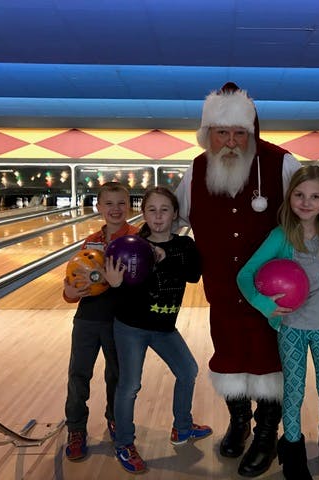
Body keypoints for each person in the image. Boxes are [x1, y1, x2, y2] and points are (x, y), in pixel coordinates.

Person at [175, 82, 302, 477]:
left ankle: (266, 434)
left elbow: (316, 213)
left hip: (274, 299)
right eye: (222, 133)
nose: (231, 142)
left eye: (239, 133)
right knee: (230, 359)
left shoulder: (282, 164)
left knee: (270, 364)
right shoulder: (195, 171)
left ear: (252, 132)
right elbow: (170, 220)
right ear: (207, 134)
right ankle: (240, 421)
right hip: (224, 296)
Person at [237, 165, 319, 480]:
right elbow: (245, 275)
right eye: (300, 195)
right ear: (290, 196)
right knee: (293, 392)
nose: (307, 202)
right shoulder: (281, 235)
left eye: (315, 196)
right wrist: (265, 304)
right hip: (291, 328)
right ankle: (293, 454)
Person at [110, 186, 211, 475]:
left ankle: (182, 427)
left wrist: (164, 257)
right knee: (130, 386)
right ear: (143, 213)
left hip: (164, 327)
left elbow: (193, 274)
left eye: (164, 210)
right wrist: (115, 284)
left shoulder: (184, 245)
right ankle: (124, 443)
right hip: (130, 327)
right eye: (151, 210)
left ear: (175, 214)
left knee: (188, 371)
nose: (158, 216)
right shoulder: (132, 244)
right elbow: (122, 286)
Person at [62, 181, 138, 461]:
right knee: (78, 374)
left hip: (120, 320)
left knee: (116, 375)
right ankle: (76, 429)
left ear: (129, 206)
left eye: (121, 203)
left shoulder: (137, 239)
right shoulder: (91, 241)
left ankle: (115, 419)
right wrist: (69, 294)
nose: (115, 209)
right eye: (109, 203)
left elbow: (141, 281)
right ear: (98, 207)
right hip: (88, 318)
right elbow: (74, 279)